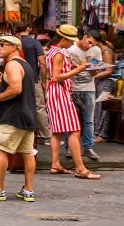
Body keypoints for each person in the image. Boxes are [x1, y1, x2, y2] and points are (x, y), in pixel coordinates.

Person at [0, 35, 37, 202]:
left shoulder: (12, 65)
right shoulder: (26, 66)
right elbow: (18, 85)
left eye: (3, 45)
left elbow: (16, 88)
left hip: (13, 115)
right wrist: (1, 80)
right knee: (27, 152)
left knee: (0, 149)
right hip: (28, 115)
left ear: (14, 47)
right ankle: (28, 190)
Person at [45, 25, 100, 179]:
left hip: (54, 92)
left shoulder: (53, 51)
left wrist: (74, 66)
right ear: (64, 39)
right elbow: (56, 77)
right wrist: (78, 69)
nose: (71, 44)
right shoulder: (58, 54)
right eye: (70, 41)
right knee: (75, 130)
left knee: (57, 131)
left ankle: (55, 164)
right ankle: (81, 169)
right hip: (60, 92)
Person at [66, 28, 103, 161]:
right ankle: (69, 147)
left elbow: (96, 72)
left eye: (93, 44)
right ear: (84, 37)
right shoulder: (71, 50)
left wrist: (93, 69)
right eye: (89, 42)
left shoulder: (96, 51)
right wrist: (78, 67)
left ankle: (88, 147)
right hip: (73, 87)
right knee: (71, 119)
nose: (90, 46)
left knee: (89, 120)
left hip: (89, 87)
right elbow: (66, 68)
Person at [13, 21, 50, 141]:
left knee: (19, 105)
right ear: (28, 29)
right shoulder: (35, 43)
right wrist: (43, 81)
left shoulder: (14, 43)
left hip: (16, 78)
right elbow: (43, 63)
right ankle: (46, 135)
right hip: (33, 79)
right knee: (39, 107)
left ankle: (20, 133)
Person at [93, 38, 117, 142]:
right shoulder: (98, 52)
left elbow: (109, 71)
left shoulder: (106, 52)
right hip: (99, 81)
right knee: (98, 107)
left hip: (106, 82)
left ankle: (102, 134)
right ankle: (97, 132)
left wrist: (93, 76)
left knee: (103, 108)